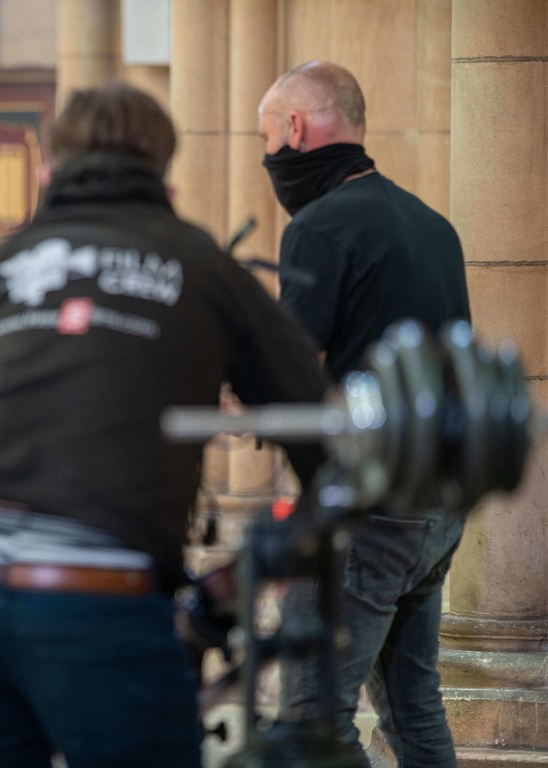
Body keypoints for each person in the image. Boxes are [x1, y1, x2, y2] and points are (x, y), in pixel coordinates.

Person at [0, 82, 329, 768]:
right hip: (89, 583)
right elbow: (320, 430)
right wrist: (259, 563)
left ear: (50, 169)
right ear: (164, 171)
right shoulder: (197, 262)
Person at [258, 61, 470, 767]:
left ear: (294, 129)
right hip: (438, 503)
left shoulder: (319, 228)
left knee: (310, 719)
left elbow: (292, 374)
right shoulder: (432, 224)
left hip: (369, 508)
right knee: (412, 708)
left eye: (266, 138)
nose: (266, 159)